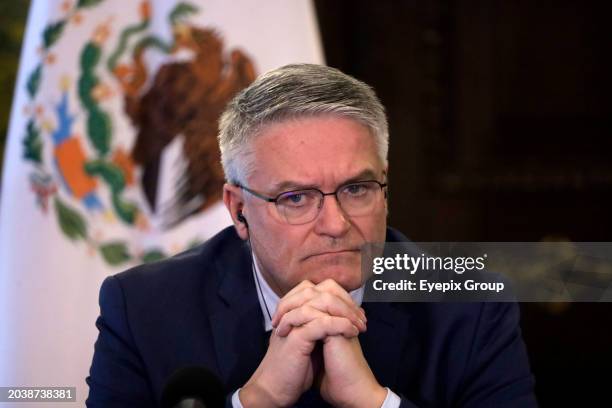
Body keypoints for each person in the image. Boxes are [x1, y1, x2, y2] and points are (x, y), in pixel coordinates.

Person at [86, 64, 537, 407]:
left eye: (357, 189)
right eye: (296, 198)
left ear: (385, 186)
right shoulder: (144, 309)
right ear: (239, 211)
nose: (336, 224)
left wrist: (373, 402)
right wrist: (257, 399)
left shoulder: (470, 307)